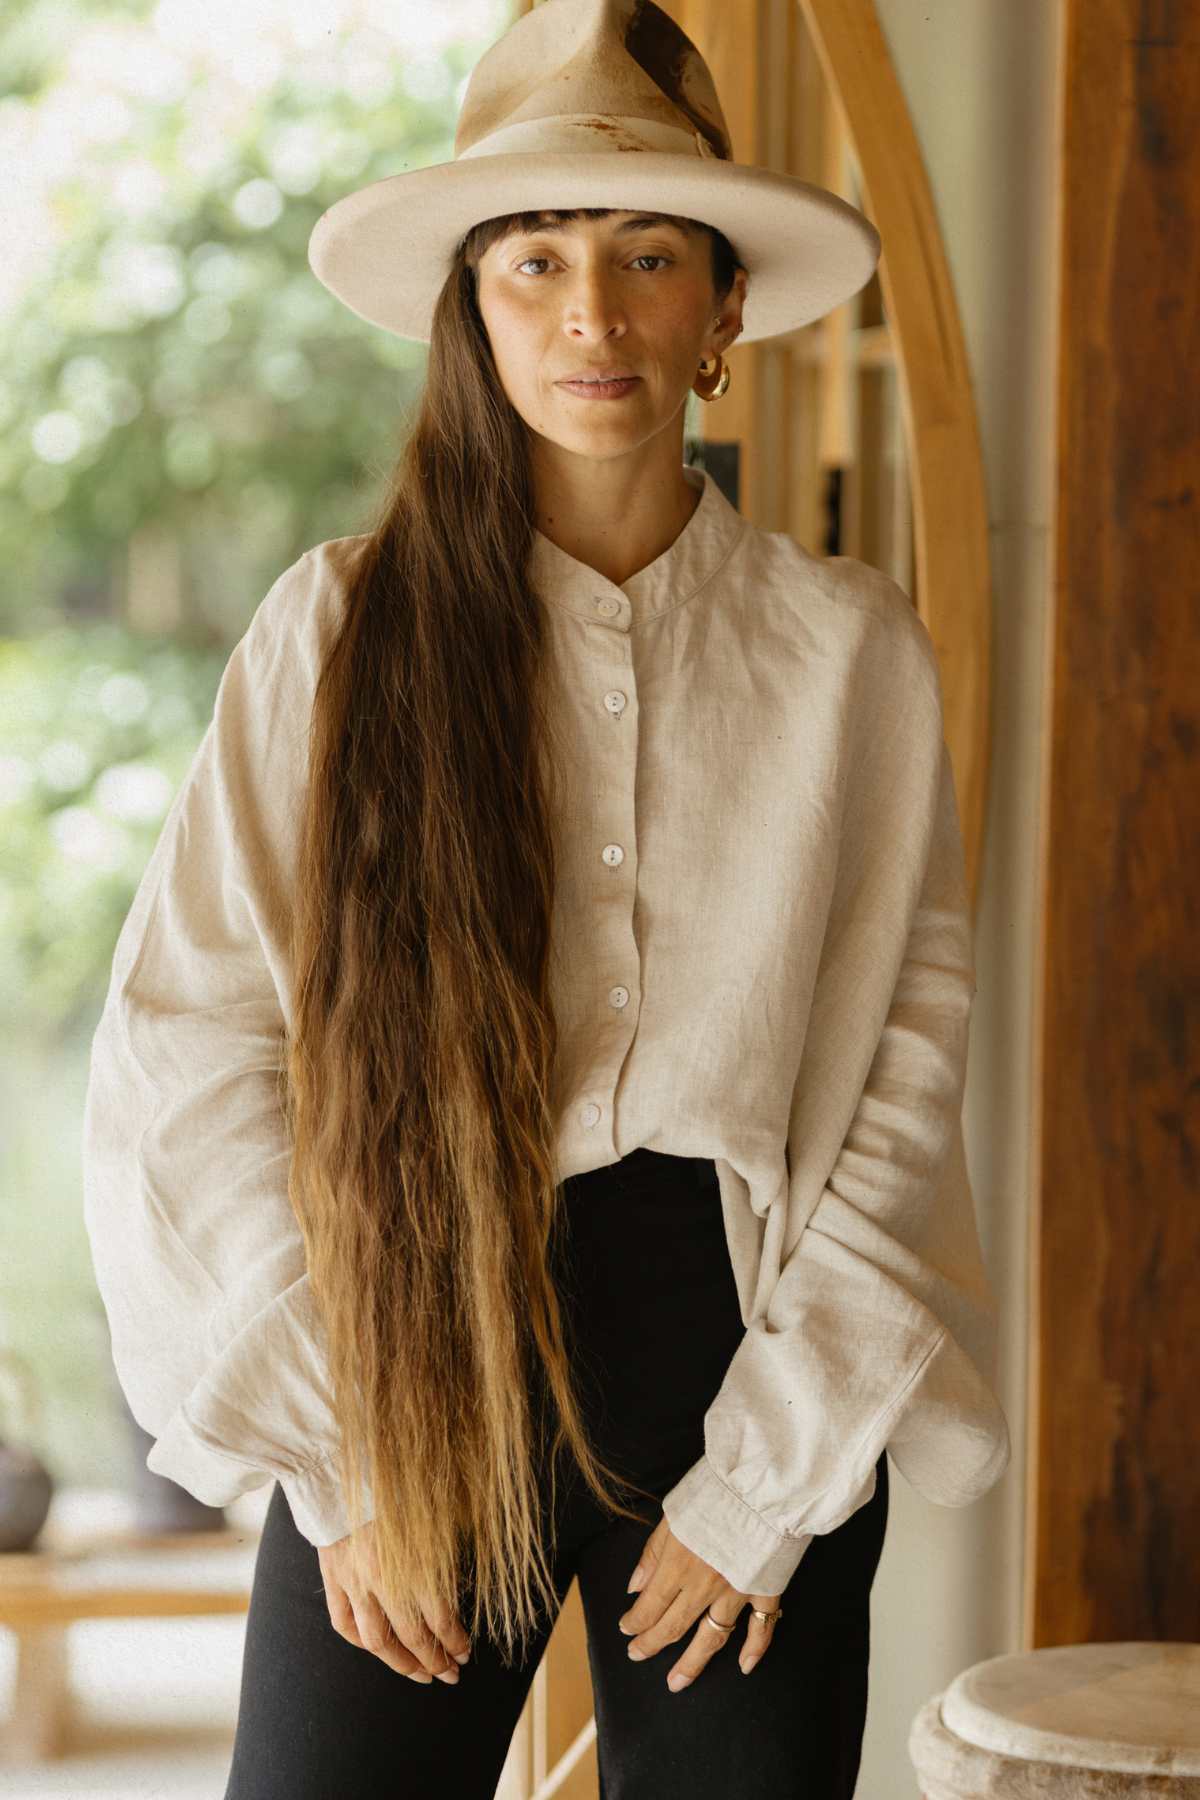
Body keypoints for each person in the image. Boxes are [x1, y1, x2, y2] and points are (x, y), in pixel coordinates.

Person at [81, 2, 1011, 1795]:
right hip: (410, 1338)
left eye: (649, 254)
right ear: (473, 307)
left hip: (741, 1347)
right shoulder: (337, 637)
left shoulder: (849, 660)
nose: (593, 313)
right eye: (536, 260)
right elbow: (189, 1036)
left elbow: (906, 1061)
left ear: (724, 308)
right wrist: (341, 1459)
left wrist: (769, 1479)